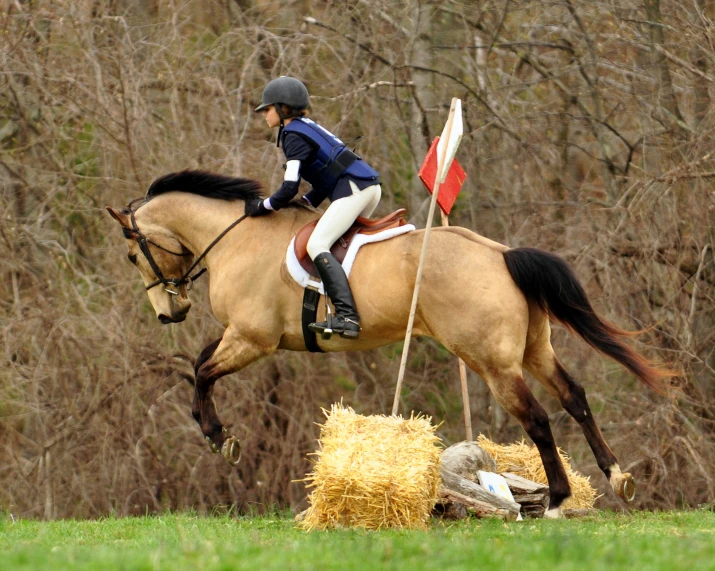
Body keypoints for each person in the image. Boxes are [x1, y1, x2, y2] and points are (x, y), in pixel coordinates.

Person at [246, 76, 381, 340]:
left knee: (317, 244)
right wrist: (307, 204)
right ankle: (350, 303)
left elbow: (289, 187)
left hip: (354, 190)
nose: (264, 114)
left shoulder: (293, 136)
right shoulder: (308, 127)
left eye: (268, 108)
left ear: (283, 109)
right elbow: (327, 174)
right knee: (338, 246)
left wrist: (262, 206)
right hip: (366, 188)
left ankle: (347, 317)